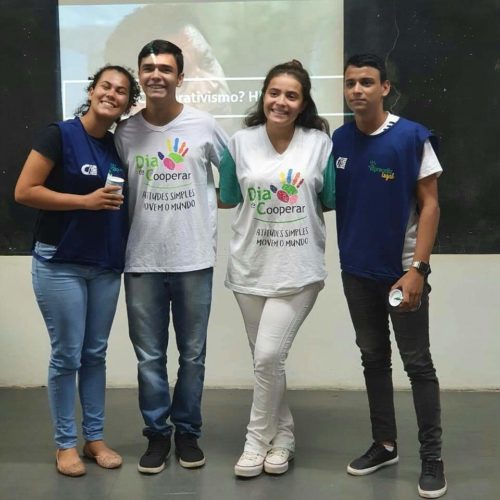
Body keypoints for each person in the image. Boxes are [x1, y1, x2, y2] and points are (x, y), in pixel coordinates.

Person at [14, 65, 140, 477]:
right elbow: (24, 191)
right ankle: (65, 444)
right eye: (106, 86)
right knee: (67, 354)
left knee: (94, 354)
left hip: (104, 264)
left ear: (127, 104)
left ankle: (95, 439)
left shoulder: (118, 146)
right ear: (91, 90)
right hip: (60, 263)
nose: (111, 94)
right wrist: (84, 202)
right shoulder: (60, 135)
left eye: (121, 91)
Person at [332, 53, 446, 498]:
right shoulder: (340, 139)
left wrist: (418, 269)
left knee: (418, 364)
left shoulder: (412, 137)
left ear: (384, 88)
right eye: (350, 83)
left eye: (366, 82)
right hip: (357, 273)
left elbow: (430, 206)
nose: (357, 90)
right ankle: (384, 445)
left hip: (402, 274)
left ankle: (432, 458)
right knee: (373, 360)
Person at [114, 39, 228, 474]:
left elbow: (233, 175)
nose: (156, 75)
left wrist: (213, 204)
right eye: (148, 68)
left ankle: (188, 433)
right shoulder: (125, 133)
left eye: (165, 68)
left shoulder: (204, 125)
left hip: (193, 259)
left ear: (180, 77)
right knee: (149, 358)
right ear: (140, 76)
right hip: (140, 261)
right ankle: (157, 435)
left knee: (193, 355)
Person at [218, 60, 335, 478]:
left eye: (291, 95)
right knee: (267, 363)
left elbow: (329, 199)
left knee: (268, 356)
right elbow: (227, 196)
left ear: (303, 103)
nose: (281, 101)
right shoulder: (239, 142)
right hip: (249, 268)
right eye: (274, 92)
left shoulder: (319, 144)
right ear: (263, 95)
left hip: (298, 270)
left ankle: (255, 442)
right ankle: (282, 438)